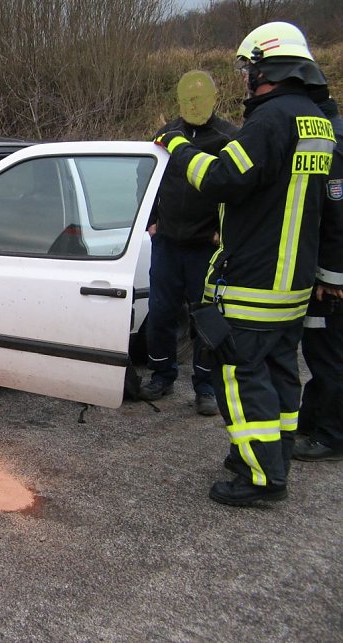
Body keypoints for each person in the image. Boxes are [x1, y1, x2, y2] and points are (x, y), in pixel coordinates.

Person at [154, 22, 334, 506]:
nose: (244, 79)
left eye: (247, 68)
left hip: (256, 279)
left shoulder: (271, 120)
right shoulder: (315, 120)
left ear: (266, 68)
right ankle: (268, 453)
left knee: (239, 373)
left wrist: (176, 146)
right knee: (279, 374)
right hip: (293, 281)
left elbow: (220, 179)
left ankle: (260, 477)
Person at [140, 70, 239, 416]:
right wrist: (150, 220)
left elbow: (239, 188)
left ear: (215, 97)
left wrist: (223, 232)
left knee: (205, 319)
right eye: (188, 99)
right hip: (167, 243)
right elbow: (147, 176)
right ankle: (161, 375)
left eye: (201, 97)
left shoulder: (230, 137)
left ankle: (205, 387)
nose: (195, 104)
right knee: (161, 313)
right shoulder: (166, 134)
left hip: (205, 249)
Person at [293, 95, 343, 462]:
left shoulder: (333, 148)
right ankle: (311, 419)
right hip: (326, 272)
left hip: (330, 282)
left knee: (328, 355)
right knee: (319, 351)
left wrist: (331, 275)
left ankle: (331, 435)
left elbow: (337, 218)